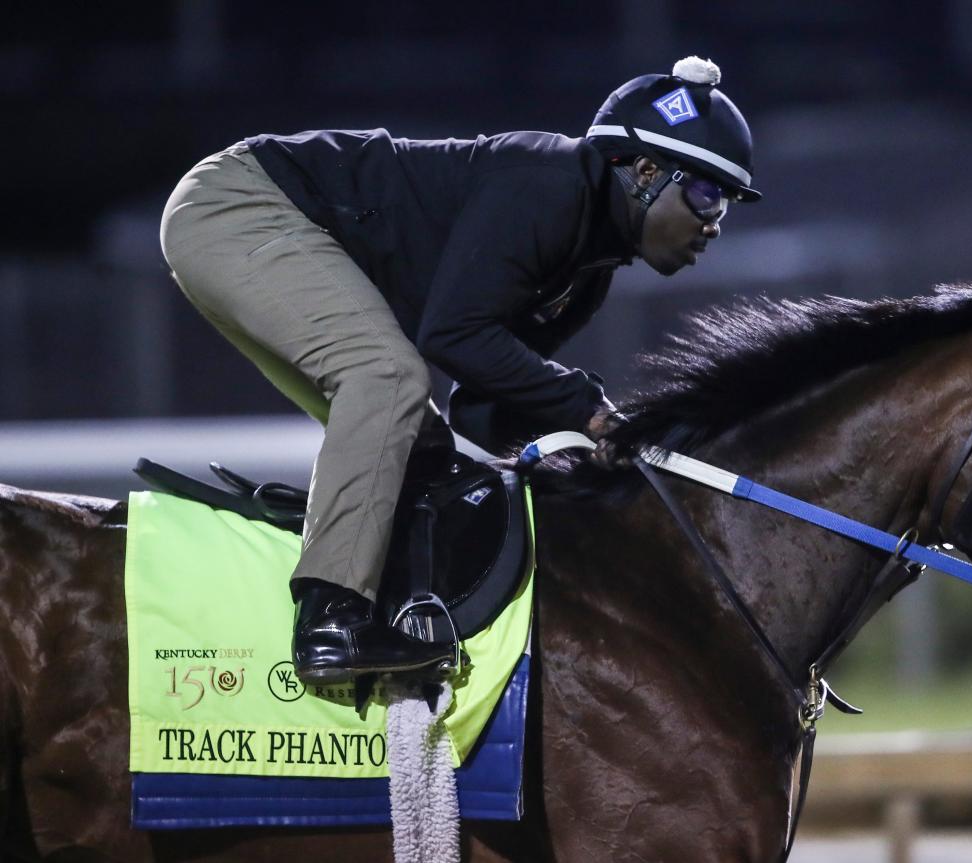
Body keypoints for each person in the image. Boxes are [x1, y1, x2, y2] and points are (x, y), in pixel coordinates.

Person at [158, 56, 761, 686]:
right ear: (643, 171)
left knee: (427, 447)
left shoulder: (585, 275)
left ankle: (402, 607)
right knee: (388, 378)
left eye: (728, 202)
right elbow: (452, 336)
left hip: (247, 217)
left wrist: (590, 454)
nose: (715, 221)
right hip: (238, 202)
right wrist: (591, 411)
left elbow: (482, 398)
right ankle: (330, 620)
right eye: (707, 192)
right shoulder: (549, 182)